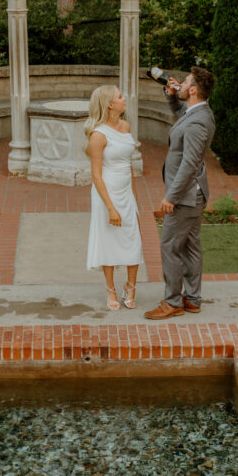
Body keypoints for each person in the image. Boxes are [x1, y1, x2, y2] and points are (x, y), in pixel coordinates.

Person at [145, 65, 216, 320]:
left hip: (185, 196)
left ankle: (173, 302)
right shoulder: (196, 112)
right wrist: (172, 95)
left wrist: (171, 197)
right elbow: (181, 116)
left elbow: (190, 164)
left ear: (194, 90)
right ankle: (192, 299)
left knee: (170, 246)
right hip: (191, 194)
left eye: (185, 83)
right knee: (190, 246)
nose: (181, 84)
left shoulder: (199, 122)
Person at [85, 85, 143, 310]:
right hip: (106, 194)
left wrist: (134, 200)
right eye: (119, 96)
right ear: (110, 104)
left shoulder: (125, 126)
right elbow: (96, 175)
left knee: (133, 239)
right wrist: (110, 207)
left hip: (126, 192)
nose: (123, 98)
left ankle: (131, 286)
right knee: (109, 240)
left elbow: (128, 166)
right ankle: (110, 289)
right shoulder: (97, 135)